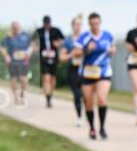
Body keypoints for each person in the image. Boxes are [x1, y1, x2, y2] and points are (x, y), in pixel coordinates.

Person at [73, 12, 115, 140]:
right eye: (92, 24)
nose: (95, 26)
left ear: (100, 23)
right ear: (89, 24)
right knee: (89, 102)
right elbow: (76, 53)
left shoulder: (107, 35)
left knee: (102, 99)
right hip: (88, 72)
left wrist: (112, 51)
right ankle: (92, 128)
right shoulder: (84, 37)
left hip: (103, 71)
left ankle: (102, 127)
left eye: (97, 23)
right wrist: (87, 49)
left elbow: (113, 48)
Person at [60, 14, 85, 127]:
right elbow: (62, 57)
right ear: (72, 25)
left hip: (86, 69)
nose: (78, 26)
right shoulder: (68, 41)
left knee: (86, 94)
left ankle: (87, 114)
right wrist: (72, 54)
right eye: (76, 24)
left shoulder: (86, 38)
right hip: (73, 70)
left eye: (80, 24)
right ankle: (79, 116)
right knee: (77, 94)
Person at [34, 15, 65, 108]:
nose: (47, 25)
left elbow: (63, 40)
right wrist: (36, 47)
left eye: (48, 24)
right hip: (43, 58)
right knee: (46, 78)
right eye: (45, 24)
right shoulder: (39, 31)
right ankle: (48, 100)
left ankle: (50, 96)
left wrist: (58, 43)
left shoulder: (56, 30)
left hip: (54, 57)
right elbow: (32, 42)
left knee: (53, 80)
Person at [0, 22, 32, 104]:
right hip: (12, 62)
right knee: (13, 78)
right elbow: (2, 48)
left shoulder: (26, 36)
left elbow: (31, 46)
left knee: (23, 79)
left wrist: (28, 54)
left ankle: (22, 93)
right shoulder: (8, 37)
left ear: (19, 27)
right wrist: (6, 56)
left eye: (16, 28)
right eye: (13, 28)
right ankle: (16, 96)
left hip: (24, 61)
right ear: (11, 28)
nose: (15, 29)